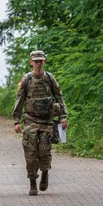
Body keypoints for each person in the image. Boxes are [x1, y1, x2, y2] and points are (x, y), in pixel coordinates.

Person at [12, 50, 68, 196]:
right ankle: (32, 183)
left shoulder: (49, 78)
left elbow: (59, 97)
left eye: (40, 61)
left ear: (44, 61)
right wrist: (16, 121)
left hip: (46, 121)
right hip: (30, 119)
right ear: (31, 62)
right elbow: (19, 100)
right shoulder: (27, 80)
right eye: (35, 61)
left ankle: (45, 172)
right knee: (30, 153)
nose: (38, 63)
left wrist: (63, 117)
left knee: (44, 150)